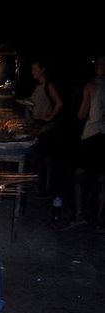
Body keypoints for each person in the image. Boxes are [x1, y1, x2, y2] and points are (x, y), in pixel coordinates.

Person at [74, 54, 105, 232]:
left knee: (79, 175)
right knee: (102, 180)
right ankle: (100, 219)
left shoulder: (91, 85)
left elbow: (81, 114)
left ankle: (79, 214)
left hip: (92, 135)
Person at [28, 60, 64, 206]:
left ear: (42, 69)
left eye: (35, 68)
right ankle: (41, 187)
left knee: (45, 160)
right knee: (39, 159)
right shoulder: (38, 86)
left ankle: (46, 190)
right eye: (32, 69)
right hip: (38, 125)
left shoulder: (49, 85)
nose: (33, 72)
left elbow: (59, 103)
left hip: (47, 128)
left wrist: (50, 116)